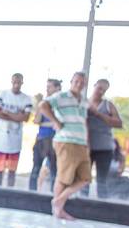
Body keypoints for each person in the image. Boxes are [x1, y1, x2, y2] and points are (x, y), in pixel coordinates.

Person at [38, 71, 91, 220]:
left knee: (85, 178)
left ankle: (59, 200)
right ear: (71, 82)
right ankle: (58, 210)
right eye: (76, 81)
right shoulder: (61, 96)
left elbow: (84, 122)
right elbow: (43, 105)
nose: (79, 84)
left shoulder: (84, 101)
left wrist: (87, 142)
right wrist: (55, 121)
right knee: (63, 177)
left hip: (81, 142)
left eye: (82, 82)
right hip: (66, 140)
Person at [0, 73, 33, 187]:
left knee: (12, 171)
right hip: (1, 137)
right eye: (14, 82)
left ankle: (10, 191)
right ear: (11, 81)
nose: (16, 84)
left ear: (22, 82)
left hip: (15, 138)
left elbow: (25, 118)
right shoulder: (2, 93)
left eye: (19, 82)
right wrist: (17, 116)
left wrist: (7, 113)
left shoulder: (26, 98)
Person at [83, 79, 122, 198]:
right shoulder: (83, 102)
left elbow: (119, 123)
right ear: (94, 86)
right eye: (99, 88)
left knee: (102, 180)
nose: (100, 92)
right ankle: (82, 202)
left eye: (104, 90)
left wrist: (97, 114)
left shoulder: (108, 105)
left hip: (105, 148)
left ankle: (102, 204)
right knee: (84, 178)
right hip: (86, 146)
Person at [29, 79, 62, 191]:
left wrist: (53, 122)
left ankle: (53, 194)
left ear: (57, 88)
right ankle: (31, 192)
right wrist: (41, 106)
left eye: (50, 87)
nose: (47, 89)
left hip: (55, 140)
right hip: (42, 138)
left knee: (54, 171)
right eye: (47, 87)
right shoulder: (44, 103)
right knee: (36, 169)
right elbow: (37, 120)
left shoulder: (61, 103)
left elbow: (62, 123)